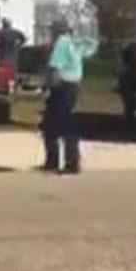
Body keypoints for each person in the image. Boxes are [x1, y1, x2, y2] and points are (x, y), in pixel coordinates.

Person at [41, 19, 97, 174]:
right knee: (62, 123)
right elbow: (90, 48)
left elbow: (55, 68)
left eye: (53, 30)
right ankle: (65, 160)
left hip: (62, 86)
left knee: (53, 125)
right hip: (73, 86)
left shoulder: (61, 42)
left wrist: (48, 88)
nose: (51, 33)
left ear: (58, 30)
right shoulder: (73, 42)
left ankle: (64, 162)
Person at [116, 41, 136, 120]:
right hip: (133, 76)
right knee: (129, 94)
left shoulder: (126, 67)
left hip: (130, 76)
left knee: (127, 95)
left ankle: (128, 112)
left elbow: (123, 61)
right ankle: (129, 112)